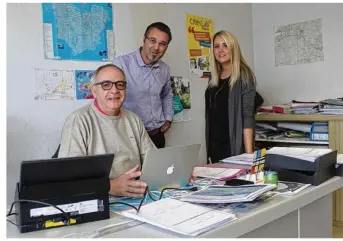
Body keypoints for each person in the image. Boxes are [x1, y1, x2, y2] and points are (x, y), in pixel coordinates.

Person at [58, 64, 156, 198]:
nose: (114, 90)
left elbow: (153, 159)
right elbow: (68, 177)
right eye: (106, 85)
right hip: (101, 198)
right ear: (94, 91)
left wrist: (178, 171)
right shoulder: (78, 121)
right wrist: (109, 186)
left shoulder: (133, 119)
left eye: (120, 84)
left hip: (138, 195)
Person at [113, 22, 173, 148]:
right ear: (144, 40)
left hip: (157, 136)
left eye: (162, 44)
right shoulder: (121, 64)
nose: (156, 47)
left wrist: (168, 117)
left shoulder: (164, 69)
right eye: (152, 40)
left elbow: (167, 94)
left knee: (158, 168)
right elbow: (111, 97)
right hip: (129, 137)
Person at [205, 30, 256, 164]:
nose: (220, 50)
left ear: (233, 48)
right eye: (216, 46)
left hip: (233, 146)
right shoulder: (214, 77)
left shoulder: (244, 76)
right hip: (214, 146)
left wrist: (249, 155)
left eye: (225, 45)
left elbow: (247, 116)